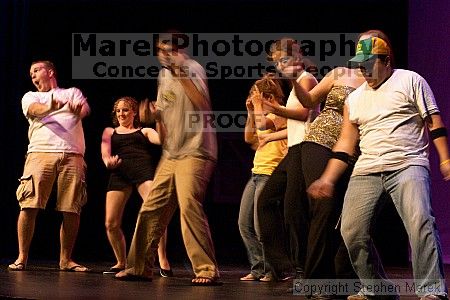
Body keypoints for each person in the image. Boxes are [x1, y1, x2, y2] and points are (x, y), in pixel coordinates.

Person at [308, 30, 450, 300]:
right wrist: (327, 178)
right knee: (351, 230)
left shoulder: (410, 80)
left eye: (370, 62)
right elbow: (346, 144)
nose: (363, 68)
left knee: (420, 221)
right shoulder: (355, 98)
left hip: (407, 163)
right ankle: (377, 288)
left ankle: (431, 291)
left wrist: (445, 159)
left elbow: (435, 123)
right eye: (360, 63)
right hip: (367, 169)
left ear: (386, 60)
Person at [115, 33, 221, 285]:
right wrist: (150, 116)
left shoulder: (192, 68)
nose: (162, 55)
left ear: (179, 50)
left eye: (168, 50)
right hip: (171, 153)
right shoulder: (163, 76)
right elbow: (163, 116)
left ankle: (206, 269)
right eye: (159, 50)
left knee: (189, 206)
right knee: (151, 208)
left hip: (196, 150)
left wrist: (180, 72)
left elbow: (202, 104)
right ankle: (139, 267)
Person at [278, 64, 365, 298]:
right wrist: (294, 80)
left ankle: (342, 278)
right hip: (320, 141)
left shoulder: (379, 85)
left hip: (352, 151)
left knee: (343, 215)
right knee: (324, 205)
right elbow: (308, 101)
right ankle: (314, 280)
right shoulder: (340, 73)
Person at [9, 60, 90, 272]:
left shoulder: (72, 92)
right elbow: (35, 110)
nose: (33, 76)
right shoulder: (31, 96)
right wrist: (50, 106)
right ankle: (22, 257)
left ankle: (66, 260)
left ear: (50, 71)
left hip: (73, 155)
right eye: (31, 73)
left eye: (36, 70)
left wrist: (76, 111)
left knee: (71, 208)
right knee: (29, 204)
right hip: (40, 153)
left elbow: (84, 110)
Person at [256, 37, 319, 281]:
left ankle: (302, 267)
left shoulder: (308, 80)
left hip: (305, 149)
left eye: (284, 59)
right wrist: (271, 138)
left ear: (297, 56)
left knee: (294, 210)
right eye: (277, 62)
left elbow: (304, 115)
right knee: (266, 201)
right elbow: (294, 123)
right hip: (293, 148)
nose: (281, 66)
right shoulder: (295, 86)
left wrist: (274, 109)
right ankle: (282, 264)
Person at [101, 96, 172, 277]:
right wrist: (108, 162)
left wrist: (158, 119)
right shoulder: (109, 131)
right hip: (119, 174)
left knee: (156, 215)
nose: (121, 114)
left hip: (142, 171)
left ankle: (162, 259)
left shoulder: (145, 131)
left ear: (134, 112)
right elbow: (105, 153)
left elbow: (163, 140)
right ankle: (121, 261)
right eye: (118, 111)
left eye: (125, 110)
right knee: (111, 223)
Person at [239, 76, 288, 282]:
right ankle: (259, 267)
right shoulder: (262, 114)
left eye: (255, 95)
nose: (251, 98)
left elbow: (262, 126)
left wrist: (258, 107)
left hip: (271, 172)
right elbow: (249, 138)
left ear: (267, 96)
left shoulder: (280, 113)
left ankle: (275, 270)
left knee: (262, 226)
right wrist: (251, 112)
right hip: (256, 172)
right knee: (244, 223)